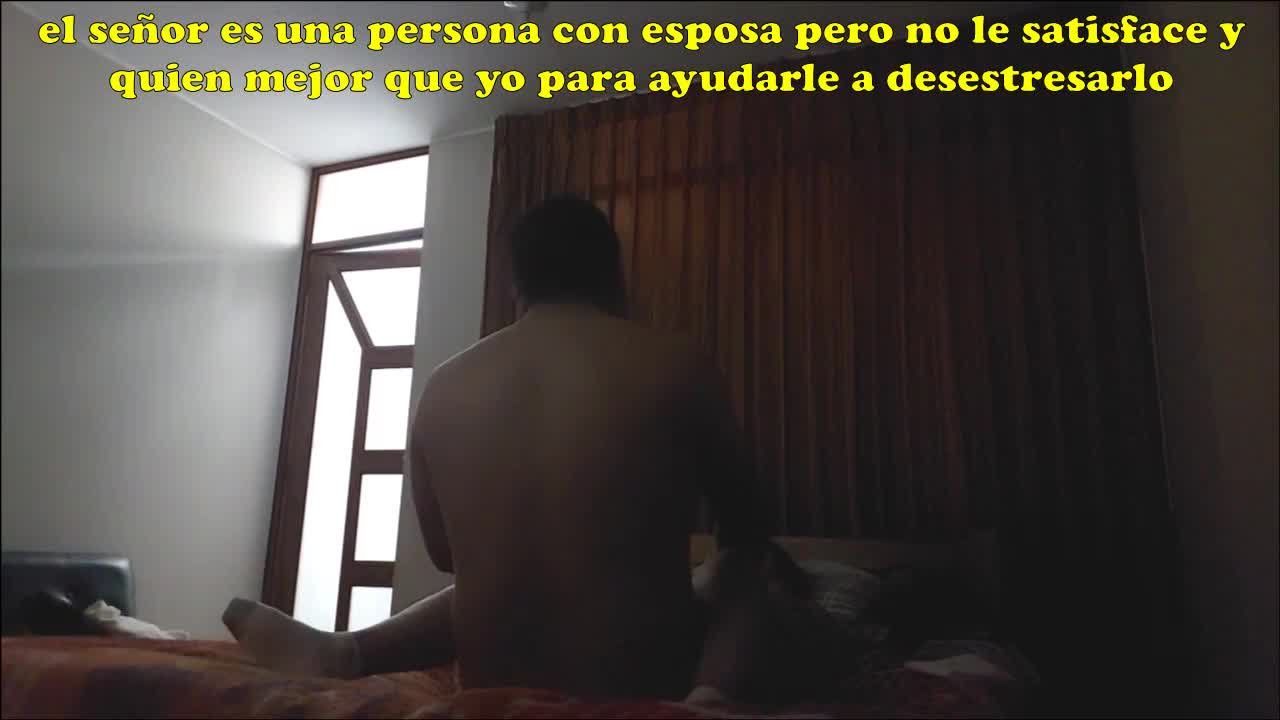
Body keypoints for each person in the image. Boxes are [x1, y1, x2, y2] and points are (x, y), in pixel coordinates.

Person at [223, 194, 814, 704]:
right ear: (614, 275)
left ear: (516, 284)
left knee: (497, 570)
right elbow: (746, 525)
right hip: (638, 681)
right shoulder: (678, 364)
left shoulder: (443, 386)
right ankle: (708, 702)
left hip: (489, 681)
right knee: (747, 565)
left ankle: (348, 652)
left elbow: (447, 557)